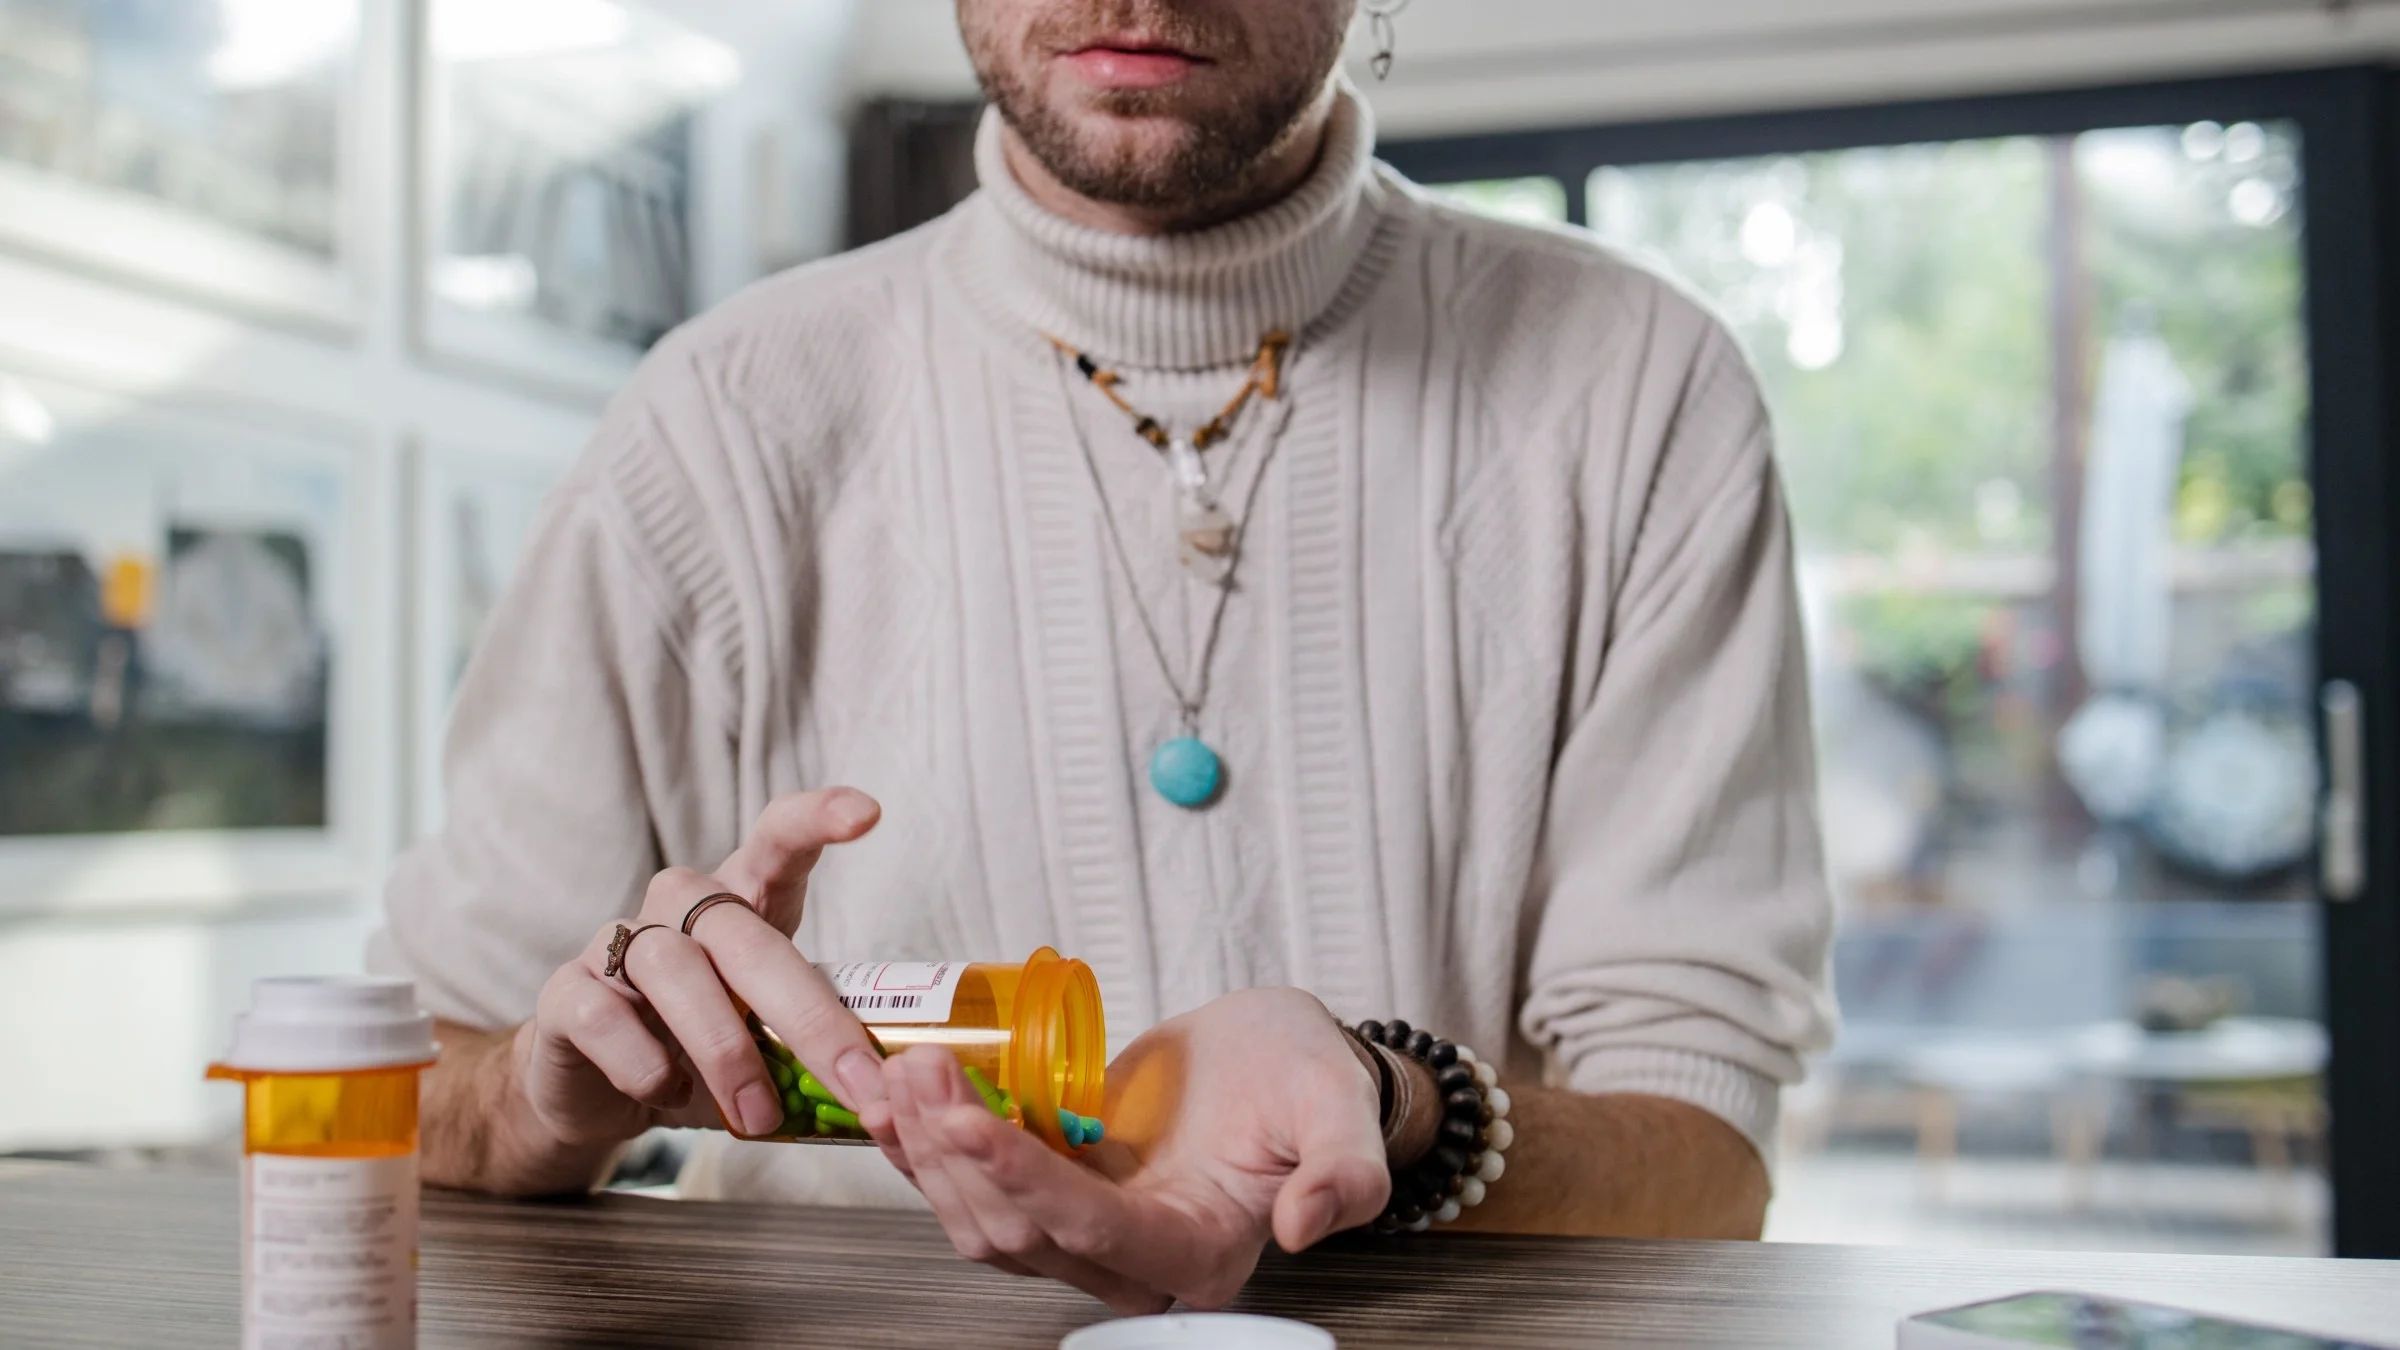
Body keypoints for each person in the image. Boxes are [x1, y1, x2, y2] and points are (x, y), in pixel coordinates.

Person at [371, 0, 1837, 1316]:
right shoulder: (715, 424)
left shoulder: (1639, 389)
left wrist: (1404, 1107)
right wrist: (542, 1103)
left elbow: (1706, 1165)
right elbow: (411, 1072)